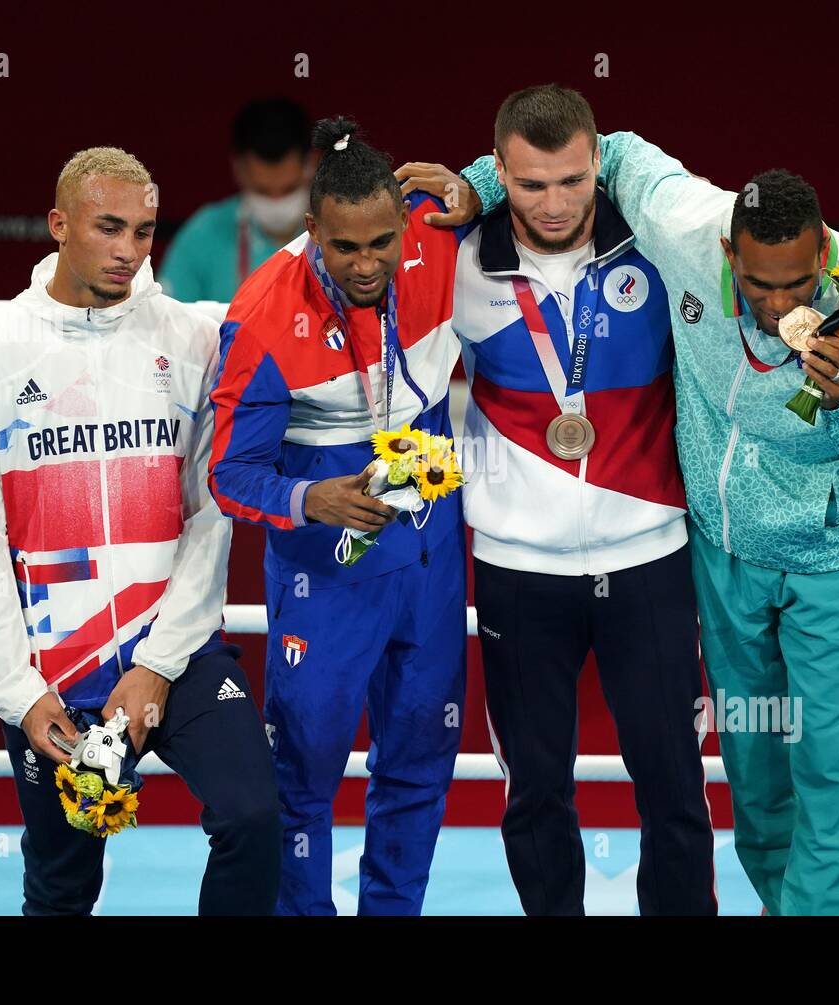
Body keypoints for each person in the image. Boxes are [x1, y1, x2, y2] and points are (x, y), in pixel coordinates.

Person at [449, 130, 839, 915]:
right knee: (757, 781)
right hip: (722, 560)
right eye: (754, 284)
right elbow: (597, 146)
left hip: (834, 563)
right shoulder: (682, 226)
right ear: (724, 250)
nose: (777, 305)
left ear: (825, 252)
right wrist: (479, 184)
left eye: (795, 284)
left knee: (832, 771)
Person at [397, 85, 716, 916]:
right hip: (516, 574)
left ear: (599, 163)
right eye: (531, 184)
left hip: (649, 560)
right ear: (498, 170)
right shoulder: (456, 256)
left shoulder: (657, 247)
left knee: (676, 789)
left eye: (572, 180)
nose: (553, 202)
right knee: (535, 794)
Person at [0, 146, 281, 916]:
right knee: (61, 886)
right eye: (109, 228)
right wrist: (21, 696)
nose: (130, 250)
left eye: (145, 231)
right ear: (60, 225)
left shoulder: (193, 338)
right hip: (56, 673)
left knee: (255, 817)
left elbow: (212, 511)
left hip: (181, 654)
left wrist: (158, 664)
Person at [207, 117, 472, 916]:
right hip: (328, 571)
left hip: (432, 552)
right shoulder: (259, 317)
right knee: (305, 775)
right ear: (312, 228)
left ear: (404, 218)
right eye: (345, 247)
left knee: (421, 761)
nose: (367, 265)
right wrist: (309, 499)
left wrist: (479, 185)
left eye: (382, 243)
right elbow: (228, 474)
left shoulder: (442, 233)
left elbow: (546, 170)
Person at [160, 97, 315, 302]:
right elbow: (167, 323)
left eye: (289, 190)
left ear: (312, 164)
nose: (276, 202)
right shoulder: (203, 233)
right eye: (262, 191)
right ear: (238, 169)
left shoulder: (340, 230)